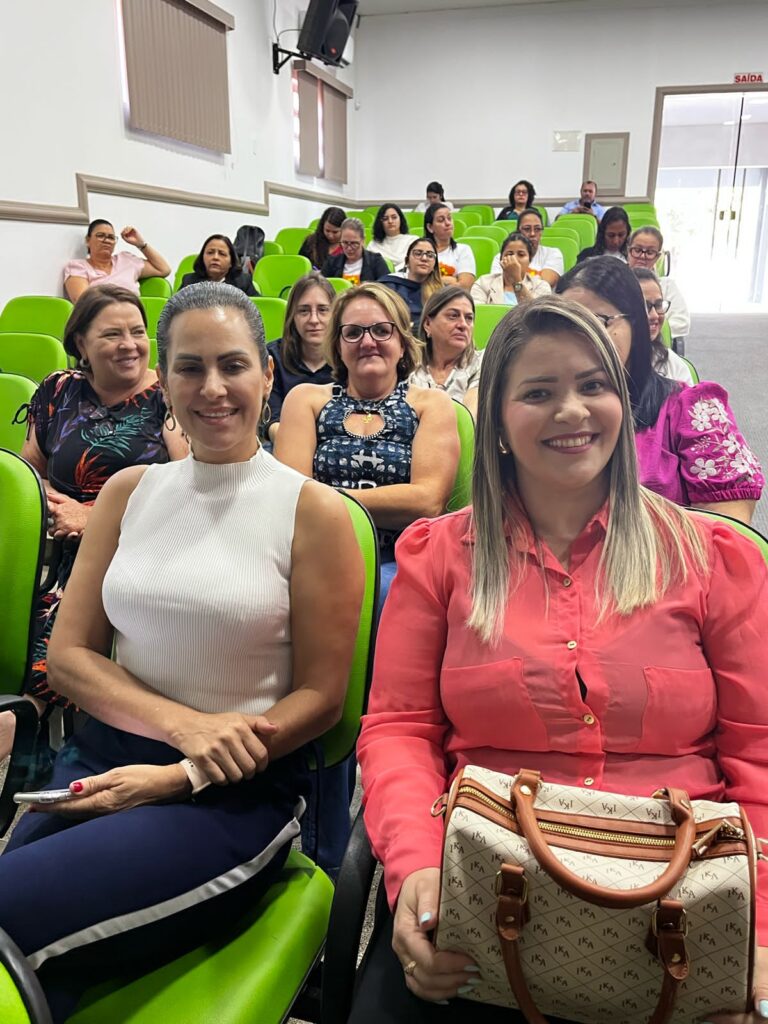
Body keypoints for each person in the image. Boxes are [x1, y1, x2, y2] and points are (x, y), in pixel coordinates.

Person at [351, 295, 768, 1023]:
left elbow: (758, 752)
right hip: (487, 889)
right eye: (538, 393)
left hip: (679, 898)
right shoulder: (438, 556)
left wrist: (758, 930)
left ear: (621, 402)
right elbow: (400, 730)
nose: (572, 410)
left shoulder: (711, 557)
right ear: (497, 424)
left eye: (592, 385)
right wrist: (415, 864)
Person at [0, 282, 363, 1023]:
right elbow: (70, 658)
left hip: (227, 794)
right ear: (164, 379)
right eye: (191, 368)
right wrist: (182, 725)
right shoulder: (129, 492)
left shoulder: (314, 512)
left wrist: (183, 768)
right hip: (100, 761)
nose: (213, 388)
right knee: (35, 963)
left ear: (267, 372)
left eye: (233, 365)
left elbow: (322, 700)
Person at [6, 285, 188, 762]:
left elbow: (188, 486)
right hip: (55, 543)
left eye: (138, 332)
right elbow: (31, 471)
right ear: (81, 343)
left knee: (59, 616)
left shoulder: (168, 395)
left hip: (137, 547)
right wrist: (56, 508)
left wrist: (94, 517)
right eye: (112, 334)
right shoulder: (57, 390)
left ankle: (21, 718)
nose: (130, 344)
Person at [274, 282, 459, 604]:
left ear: (402, 343)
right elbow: (291, 500)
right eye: (353, 333)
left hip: (402, 557)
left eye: (382, 331)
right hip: (317, 551)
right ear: (338, 346)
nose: (368, 342)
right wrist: (389, 503)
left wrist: (326, 499)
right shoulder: (306, 399)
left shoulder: (431, 404)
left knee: (382, 591)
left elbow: (427, 502)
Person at [556, 257, 762, 523]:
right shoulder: (544, 411)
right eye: (566, 324)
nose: (580, 338)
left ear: (636, 326)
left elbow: (725, 535)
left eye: (598, 321)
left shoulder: (693, 411)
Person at [266, 272, 335, 444]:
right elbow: (271, 422)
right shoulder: (273, 356)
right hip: (286, 443)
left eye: (323, 310)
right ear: (293, 316)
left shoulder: (350, 356)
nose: (314, 319)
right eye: (304, 311)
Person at [410, 286, 481, 417]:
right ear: (427, 324)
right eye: (453, 316)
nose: (463, 325)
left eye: (469, 318)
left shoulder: (483, 364)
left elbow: (470, 419)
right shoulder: (409, 367)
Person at [63, 220, 171, 301]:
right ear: (88, 240)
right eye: (100, 236)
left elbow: (163, 269)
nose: (106, 241)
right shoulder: (78, 267)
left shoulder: (126, 260)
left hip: (133, 316)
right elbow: (83, 302)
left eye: (111, 237)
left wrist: (141, 244)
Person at [632, 267, 695, 385]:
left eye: (658, 305)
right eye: (645, 306)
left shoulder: (674, 366)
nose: (654, 315)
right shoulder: (605, 363)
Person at [627, 226, 691, 340]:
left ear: (658, 257)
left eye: (650, 252)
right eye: (637, 250)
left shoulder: (667, 286)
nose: (642, 256)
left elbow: (682, 322)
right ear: (628, 250)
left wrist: (650, 328)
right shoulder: (614, 280)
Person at [471, 231, 552, 306]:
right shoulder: (483, 283)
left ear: (529, 260)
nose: (514, 259)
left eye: (521, 254)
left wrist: (516, 281)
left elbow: (534, 314)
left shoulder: (541, 286)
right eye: (509, 254)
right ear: (501, 259)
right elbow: (477, 313)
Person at [490, 209, 563, 289]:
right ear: (518, 231)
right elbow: (497, 286)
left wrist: (514, 280)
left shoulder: (552, 254)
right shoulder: (501, 256)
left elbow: (543, 285)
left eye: (537, 229)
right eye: (527, 229)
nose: (532, 234)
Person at [378, 236, 443, 324]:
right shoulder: (389, 286)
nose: (424, 258)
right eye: (418, 253)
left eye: (430, 255)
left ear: (434, 265)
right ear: (407, 261)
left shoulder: (441, 293)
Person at [179, 234, 257, 295]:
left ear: (231, 262)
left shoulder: (243, 282)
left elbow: (258, 307)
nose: (215, 257)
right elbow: (175, 307)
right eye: (210, 252)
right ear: (202, 258)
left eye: (222, 254)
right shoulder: (189, 281)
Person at [322, 218, 389, 285]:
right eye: (345, 243)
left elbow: (388, 287)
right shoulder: (331, 263)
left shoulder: (376, 262)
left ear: (363, 240)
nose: (349, 248)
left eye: (354, 243)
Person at [424, 204, 476, 290]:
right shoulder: (422, 252)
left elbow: (465, 286)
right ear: (430, 227)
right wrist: (450, 280)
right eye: (441, 220)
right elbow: (415, 282)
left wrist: (431, 281)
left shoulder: (463, 250)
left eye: (449, 218)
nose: (448, 223)